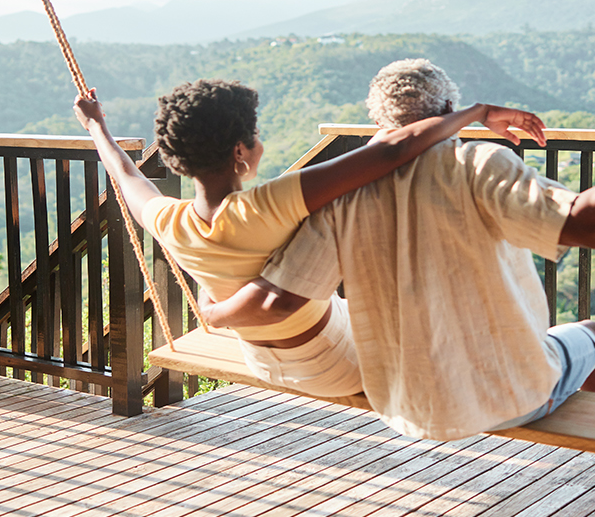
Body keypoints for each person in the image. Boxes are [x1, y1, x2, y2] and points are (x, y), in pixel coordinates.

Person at [210, 59, 595, 441]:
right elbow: (588, 224)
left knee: (566, 345)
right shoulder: (477, 165)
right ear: (450, 112)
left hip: (405, 404)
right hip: (508, 397)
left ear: (381, 123)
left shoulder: (341, 195)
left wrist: (213, 311)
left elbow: (283, 297)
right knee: (589, 335)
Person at [72, 78, 548, 397]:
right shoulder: (266, 205)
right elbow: (390, 152)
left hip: (263, 359)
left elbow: (126, 172)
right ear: (241, 150)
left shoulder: (167, 219)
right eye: (255, 134)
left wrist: (97, 126)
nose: (260, 142)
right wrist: (477, 111)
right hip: (333, 366)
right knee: (351, 212)